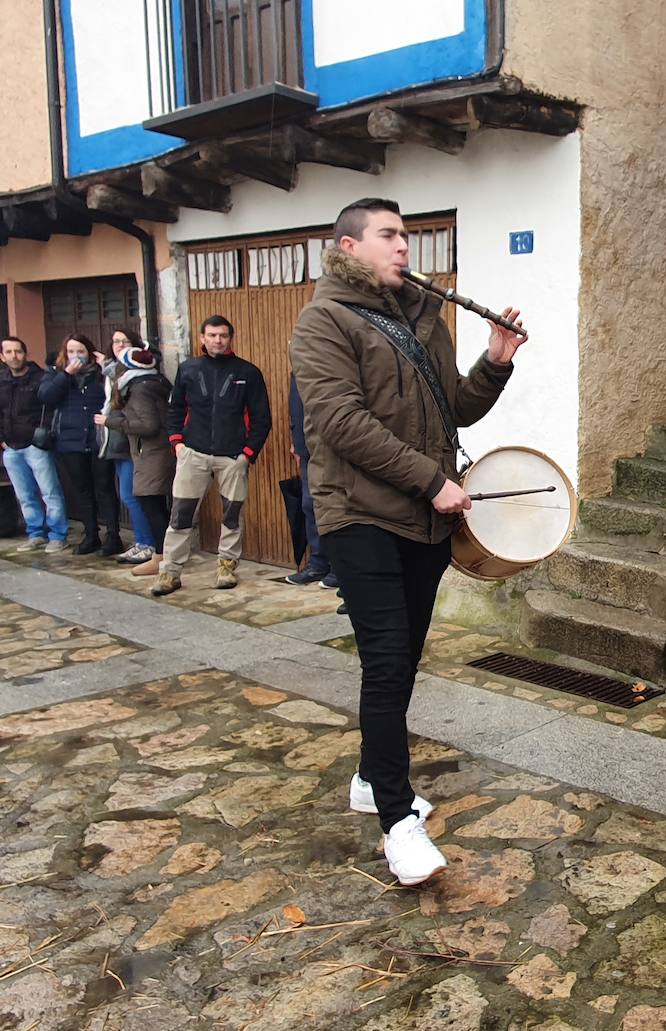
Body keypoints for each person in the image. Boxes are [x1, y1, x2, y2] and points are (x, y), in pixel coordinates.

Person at [291, 197, 524, 885]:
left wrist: (497, 362)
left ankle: (370, 776)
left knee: (403, 658)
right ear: (348, 246)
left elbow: (453, 406)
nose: (404, 247)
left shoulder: (425, 315)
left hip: (425, 519)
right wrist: (431, 480)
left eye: (407, 235)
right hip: (359, 515)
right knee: (388, 660)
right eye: (389, 235)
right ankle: (398, 822)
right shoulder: (322, 321)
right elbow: (340, 421)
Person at [152, 316, 271, 596]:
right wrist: (177, 444)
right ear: (202, 338)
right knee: (180, 514)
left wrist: (247, 454)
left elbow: (262, 418)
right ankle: (170, 572)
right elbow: (175, 410)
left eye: (223, 335)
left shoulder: (248, 372)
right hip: (193, 453)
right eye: (213, 335)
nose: (218, 340)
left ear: (231, 338)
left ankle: (226, 566)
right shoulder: (188, 369)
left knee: (232, 514)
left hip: (232, 456)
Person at [38, 334, 122, 556]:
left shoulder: (100, 374)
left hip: (98, 440)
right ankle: (90, 535)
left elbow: (119, 392)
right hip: (69, 441)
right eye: (72, 352)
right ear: (65, 355)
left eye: (80, 351)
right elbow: (46, 396)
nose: (76, 356)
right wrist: (66, 375)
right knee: (82, 490)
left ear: (90, 352)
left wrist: (108, 367)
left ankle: (113, 536)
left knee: (104, 488)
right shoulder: (55, 374)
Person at [100, 346, 174, 577]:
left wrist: (112, 422)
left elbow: (149, 425)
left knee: (151, 504)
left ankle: (161, 557)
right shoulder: (154, 383)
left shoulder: (140, 390)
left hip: (152, 453)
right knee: (158, 505)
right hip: (157, 452)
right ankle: (164, 556)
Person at [0, 336, 67, 552]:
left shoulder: (41, 378)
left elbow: (52, 407)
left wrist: (43, 435)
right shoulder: (2, 381)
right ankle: (36, 533)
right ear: (2, 357)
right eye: (8, 352)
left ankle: (58, 535)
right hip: (11, 447)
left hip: (36, 445)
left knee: (50, 492)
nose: (14, 356)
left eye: (18, 351)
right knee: (25, 495)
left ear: (25, 354)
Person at [98, 328, 157, 565]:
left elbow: (142, 420)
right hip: (117, 442)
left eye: (124, 341)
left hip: (131, 443)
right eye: (115, 341)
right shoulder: (114, 373)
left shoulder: (136, 377)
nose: (119, 345)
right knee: (128, 495)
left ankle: (147, 543)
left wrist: (110, 421)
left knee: (133, 495)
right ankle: (142, 541)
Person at [285, 373, 331, 586]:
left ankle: (340, 570)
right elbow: (295, 407)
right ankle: (318, 564)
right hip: (306, 448)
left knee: (334, 507)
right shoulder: (299, 367)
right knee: (309, 505)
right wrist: (296, 442)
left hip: (331, 447)